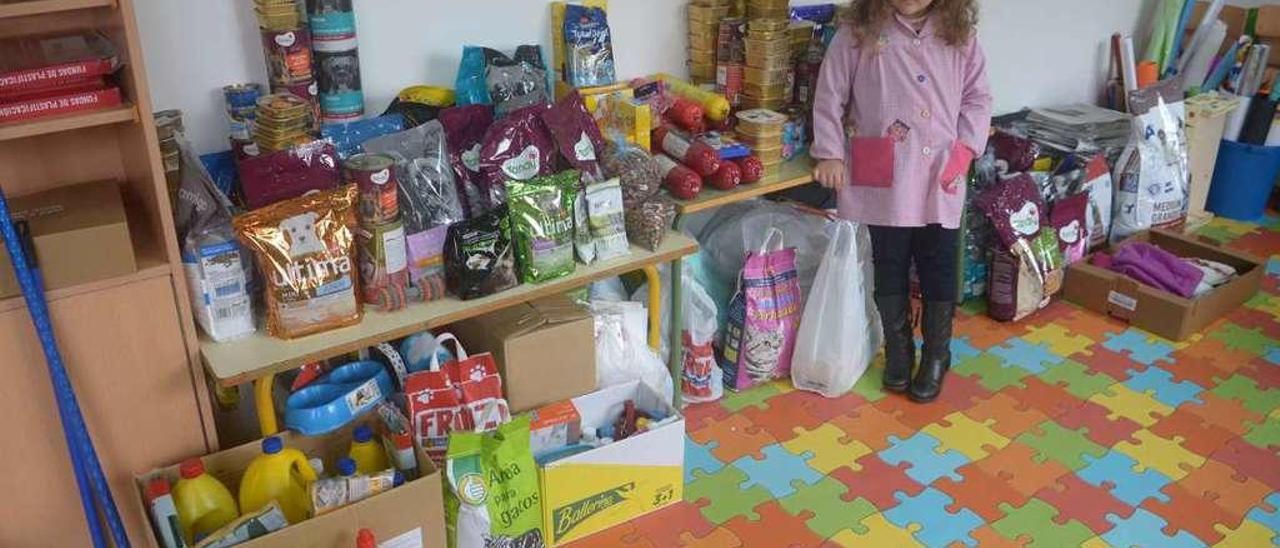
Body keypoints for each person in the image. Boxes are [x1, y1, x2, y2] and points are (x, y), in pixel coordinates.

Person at [810, 0, 993, 403]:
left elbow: (978, 98)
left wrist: (965, 150)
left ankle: (936, 355)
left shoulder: (959, 36)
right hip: (885, 175)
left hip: (940, 173)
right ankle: (898, 349)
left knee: (938, 265)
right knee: (889, 263)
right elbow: (829, 96)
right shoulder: (857, 34)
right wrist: (830, 153)